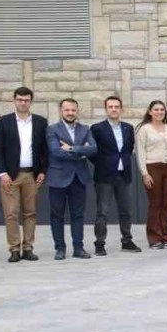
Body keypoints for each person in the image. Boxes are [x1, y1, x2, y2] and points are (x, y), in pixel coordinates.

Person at [0, 87, 47, 263]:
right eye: (20, 100)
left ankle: (28, 248)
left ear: (31, 101)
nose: (23, 103)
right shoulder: (4, 121)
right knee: (11, 213)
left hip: (32, 174)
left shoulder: (40, 122)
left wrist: (43, 171)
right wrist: (2, 173)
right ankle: (14, 249)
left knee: (30, 213)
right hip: (10, 176)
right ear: (14, 100)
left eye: (26, 100)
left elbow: (44, 150)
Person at [46, 98, 97, 260]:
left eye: (73, 110)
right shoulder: (52, 129)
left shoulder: (85, 129)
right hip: (58, 178)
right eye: (67, 110)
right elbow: (56, 151)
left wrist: (72, 148)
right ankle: (60, 248)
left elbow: (93, 149)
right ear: (61, 111)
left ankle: (78, 248)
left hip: (79, 178)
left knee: (78, 215)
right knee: (57, 215)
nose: (70, 113)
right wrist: (81, 153)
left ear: (77, 111)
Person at [90, 96, 140, 256]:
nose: (114, 109)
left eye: (116, 107)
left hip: (124, 175)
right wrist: (103, 163)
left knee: (126, 210)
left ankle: (127, 240)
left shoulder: (128, 128)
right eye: (110, 107)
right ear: (106, 109)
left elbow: (129, 148)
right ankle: (99, 243)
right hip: (104, 176)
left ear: (121, 109)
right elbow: (92, 151)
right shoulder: (97, 128)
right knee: (102, 211)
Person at [135, 100, 167, 250]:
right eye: (156, 109)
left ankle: (166, 237)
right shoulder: (144, 129)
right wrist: (144, 173)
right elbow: (140, 151)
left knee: (166, 203)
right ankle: (154, 237)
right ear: (150, 112)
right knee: (155, 203)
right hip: (152, 167)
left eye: (162, 109)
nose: (159, 112)